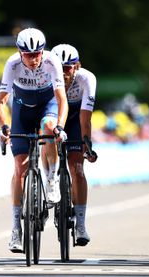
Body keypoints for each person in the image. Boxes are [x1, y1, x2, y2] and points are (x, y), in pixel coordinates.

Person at [0, 28, 68, 253]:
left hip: (48, 105)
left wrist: (60, 127)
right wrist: (3, 127)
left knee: (48, 127)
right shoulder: (12, 64)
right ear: (19, 52)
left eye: (38, 53)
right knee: (19, 168)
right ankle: (16, 228)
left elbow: (61, 99)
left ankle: (52, 179)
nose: (34, 59)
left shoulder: (52, 61)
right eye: (29, 54)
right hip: (22, 110)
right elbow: (0, 102)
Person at [45, 44, 98, 246]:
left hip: (76, 119)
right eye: (60, 67)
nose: (64, 72)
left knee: (77, 169)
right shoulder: (47, 76)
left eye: (68, 67)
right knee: (46, 137)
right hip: (52, 115)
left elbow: (85, 119)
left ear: (77, 66)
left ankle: (81, 224)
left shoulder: (87, 79)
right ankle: (49, 178)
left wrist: (87, 145)